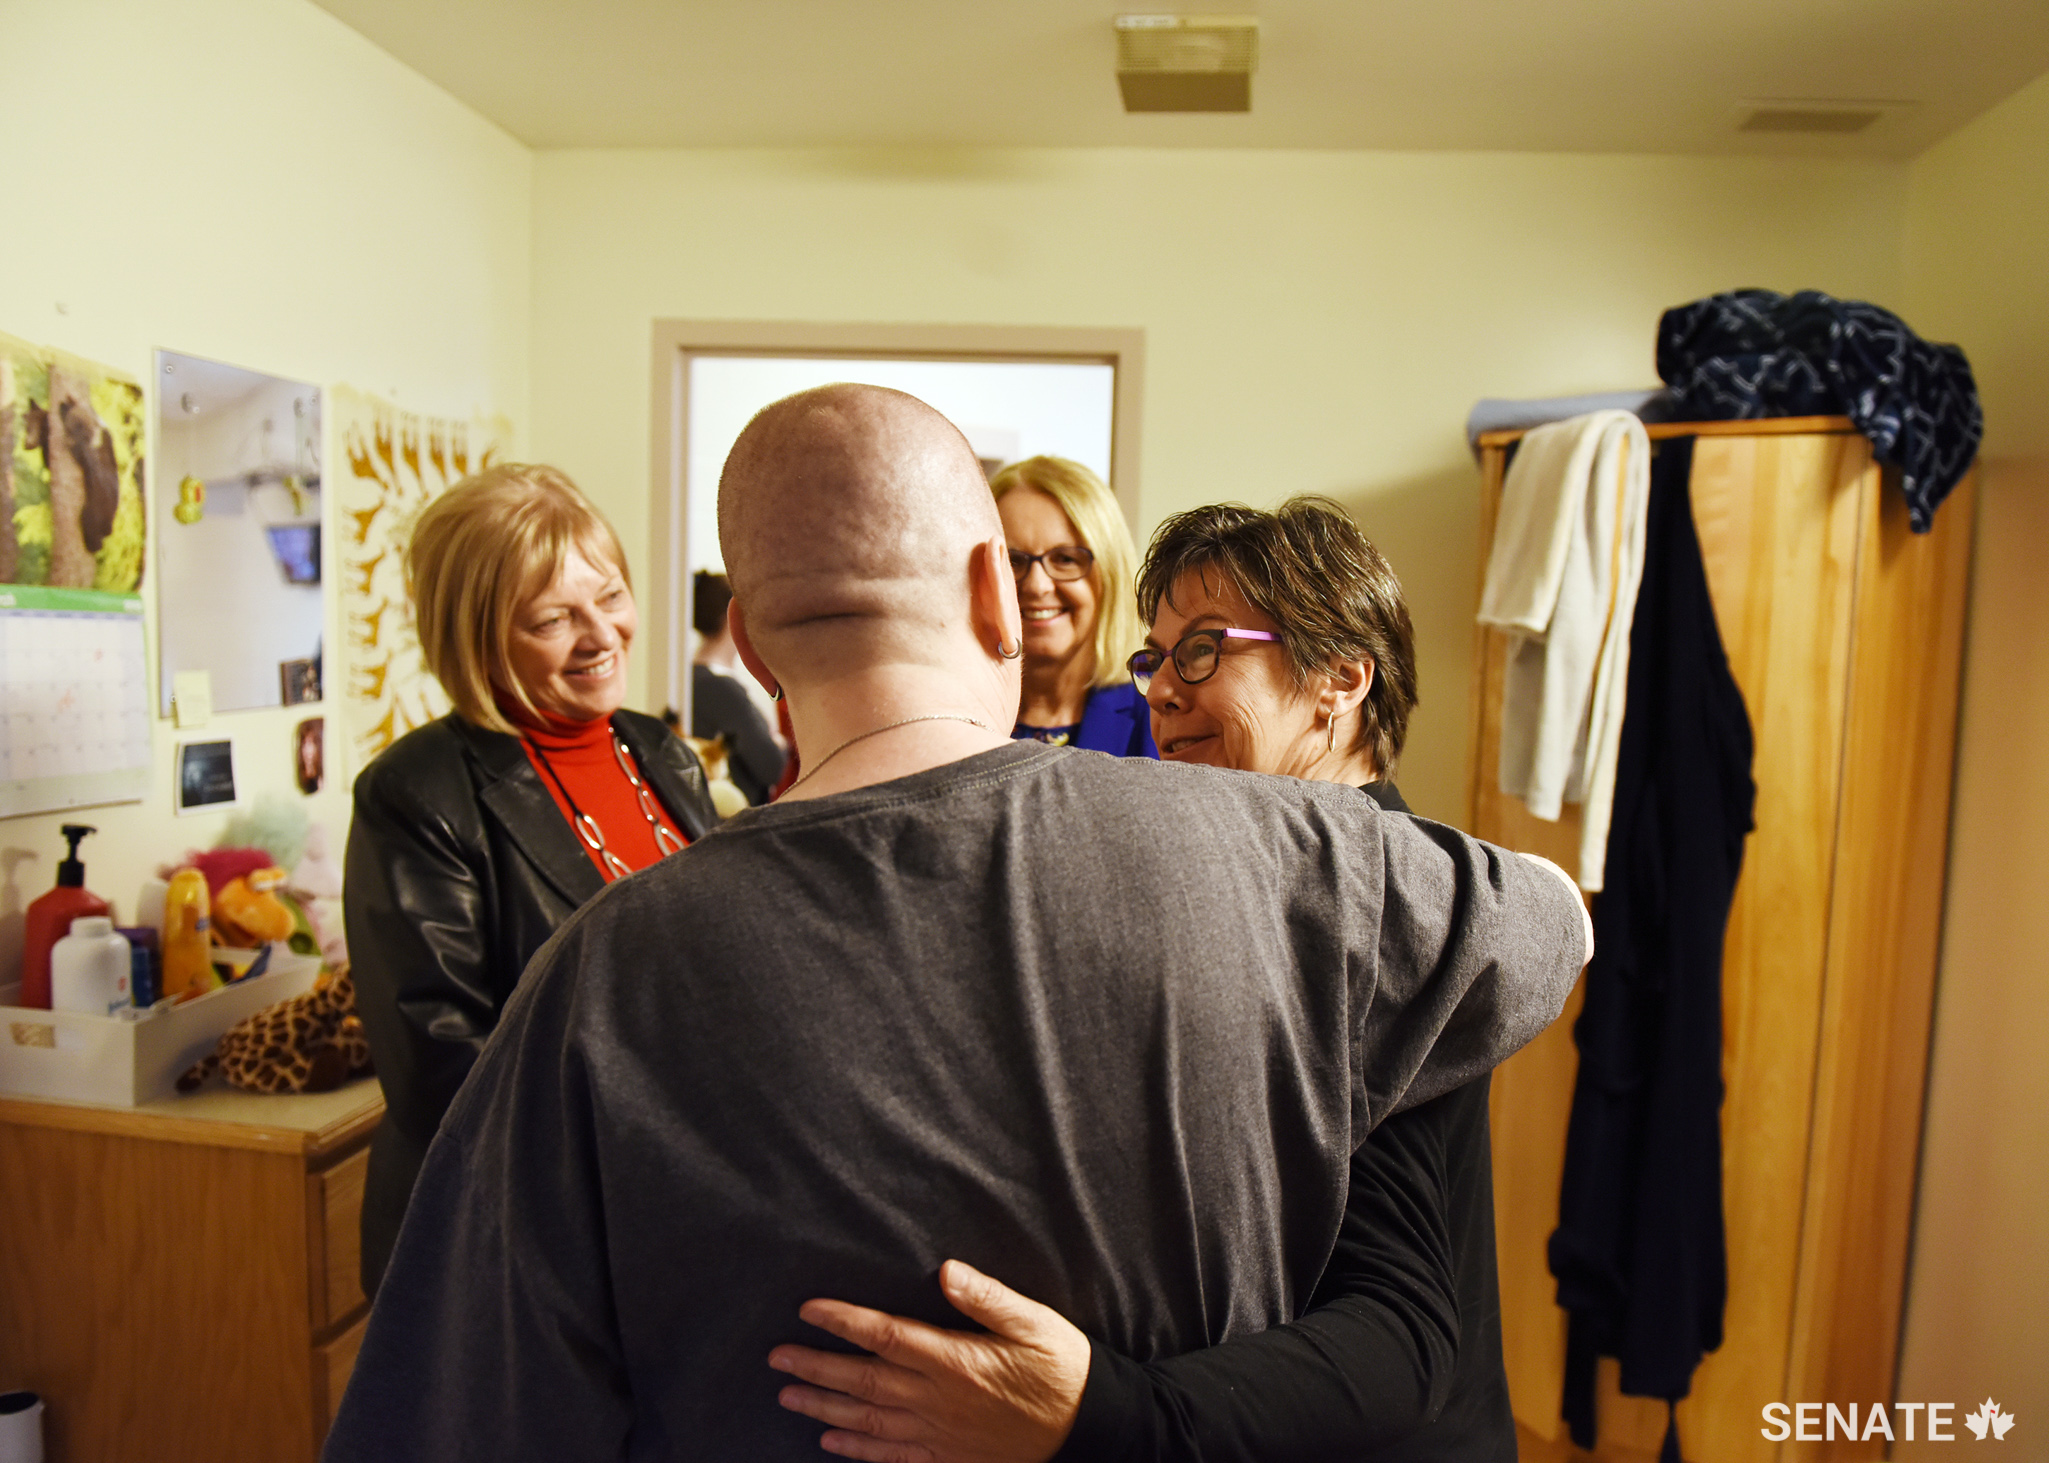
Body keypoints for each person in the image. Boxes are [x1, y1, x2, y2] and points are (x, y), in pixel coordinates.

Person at [323, 387, 1587, 1463]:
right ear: (996, 593)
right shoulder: (1301, 857)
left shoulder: (596, 975)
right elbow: (1556, 924)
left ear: (754, 645)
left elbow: (464, 1410)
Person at [771, 499, 1514, 1462]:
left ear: (1340, 676)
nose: (1162, 689)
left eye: (1204, 649)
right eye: (1156, 656)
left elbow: (1402, 1335)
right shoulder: (1271, 874)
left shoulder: (1384, 905)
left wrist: (1095, 1409)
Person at [343, 462, 718, 1296]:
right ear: (476, 636)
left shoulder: (658, 751)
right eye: (554, 618)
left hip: (661, 1211)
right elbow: (442, 1068)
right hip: (508, 1242)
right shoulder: (418, 793)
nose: (602, 635)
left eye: (610, 596)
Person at [992, 456, 1155, 756]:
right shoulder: (948, 713)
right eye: (1013, 561)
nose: (1037, 586)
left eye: (1065, 559)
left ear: (1110, 572)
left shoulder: (1160, 718)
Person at [690, 567, 789, 803]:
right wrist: (779, 742)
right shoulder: (720, 690)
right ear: (732, 615)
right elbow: (770, 766)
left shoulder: (691, 680)